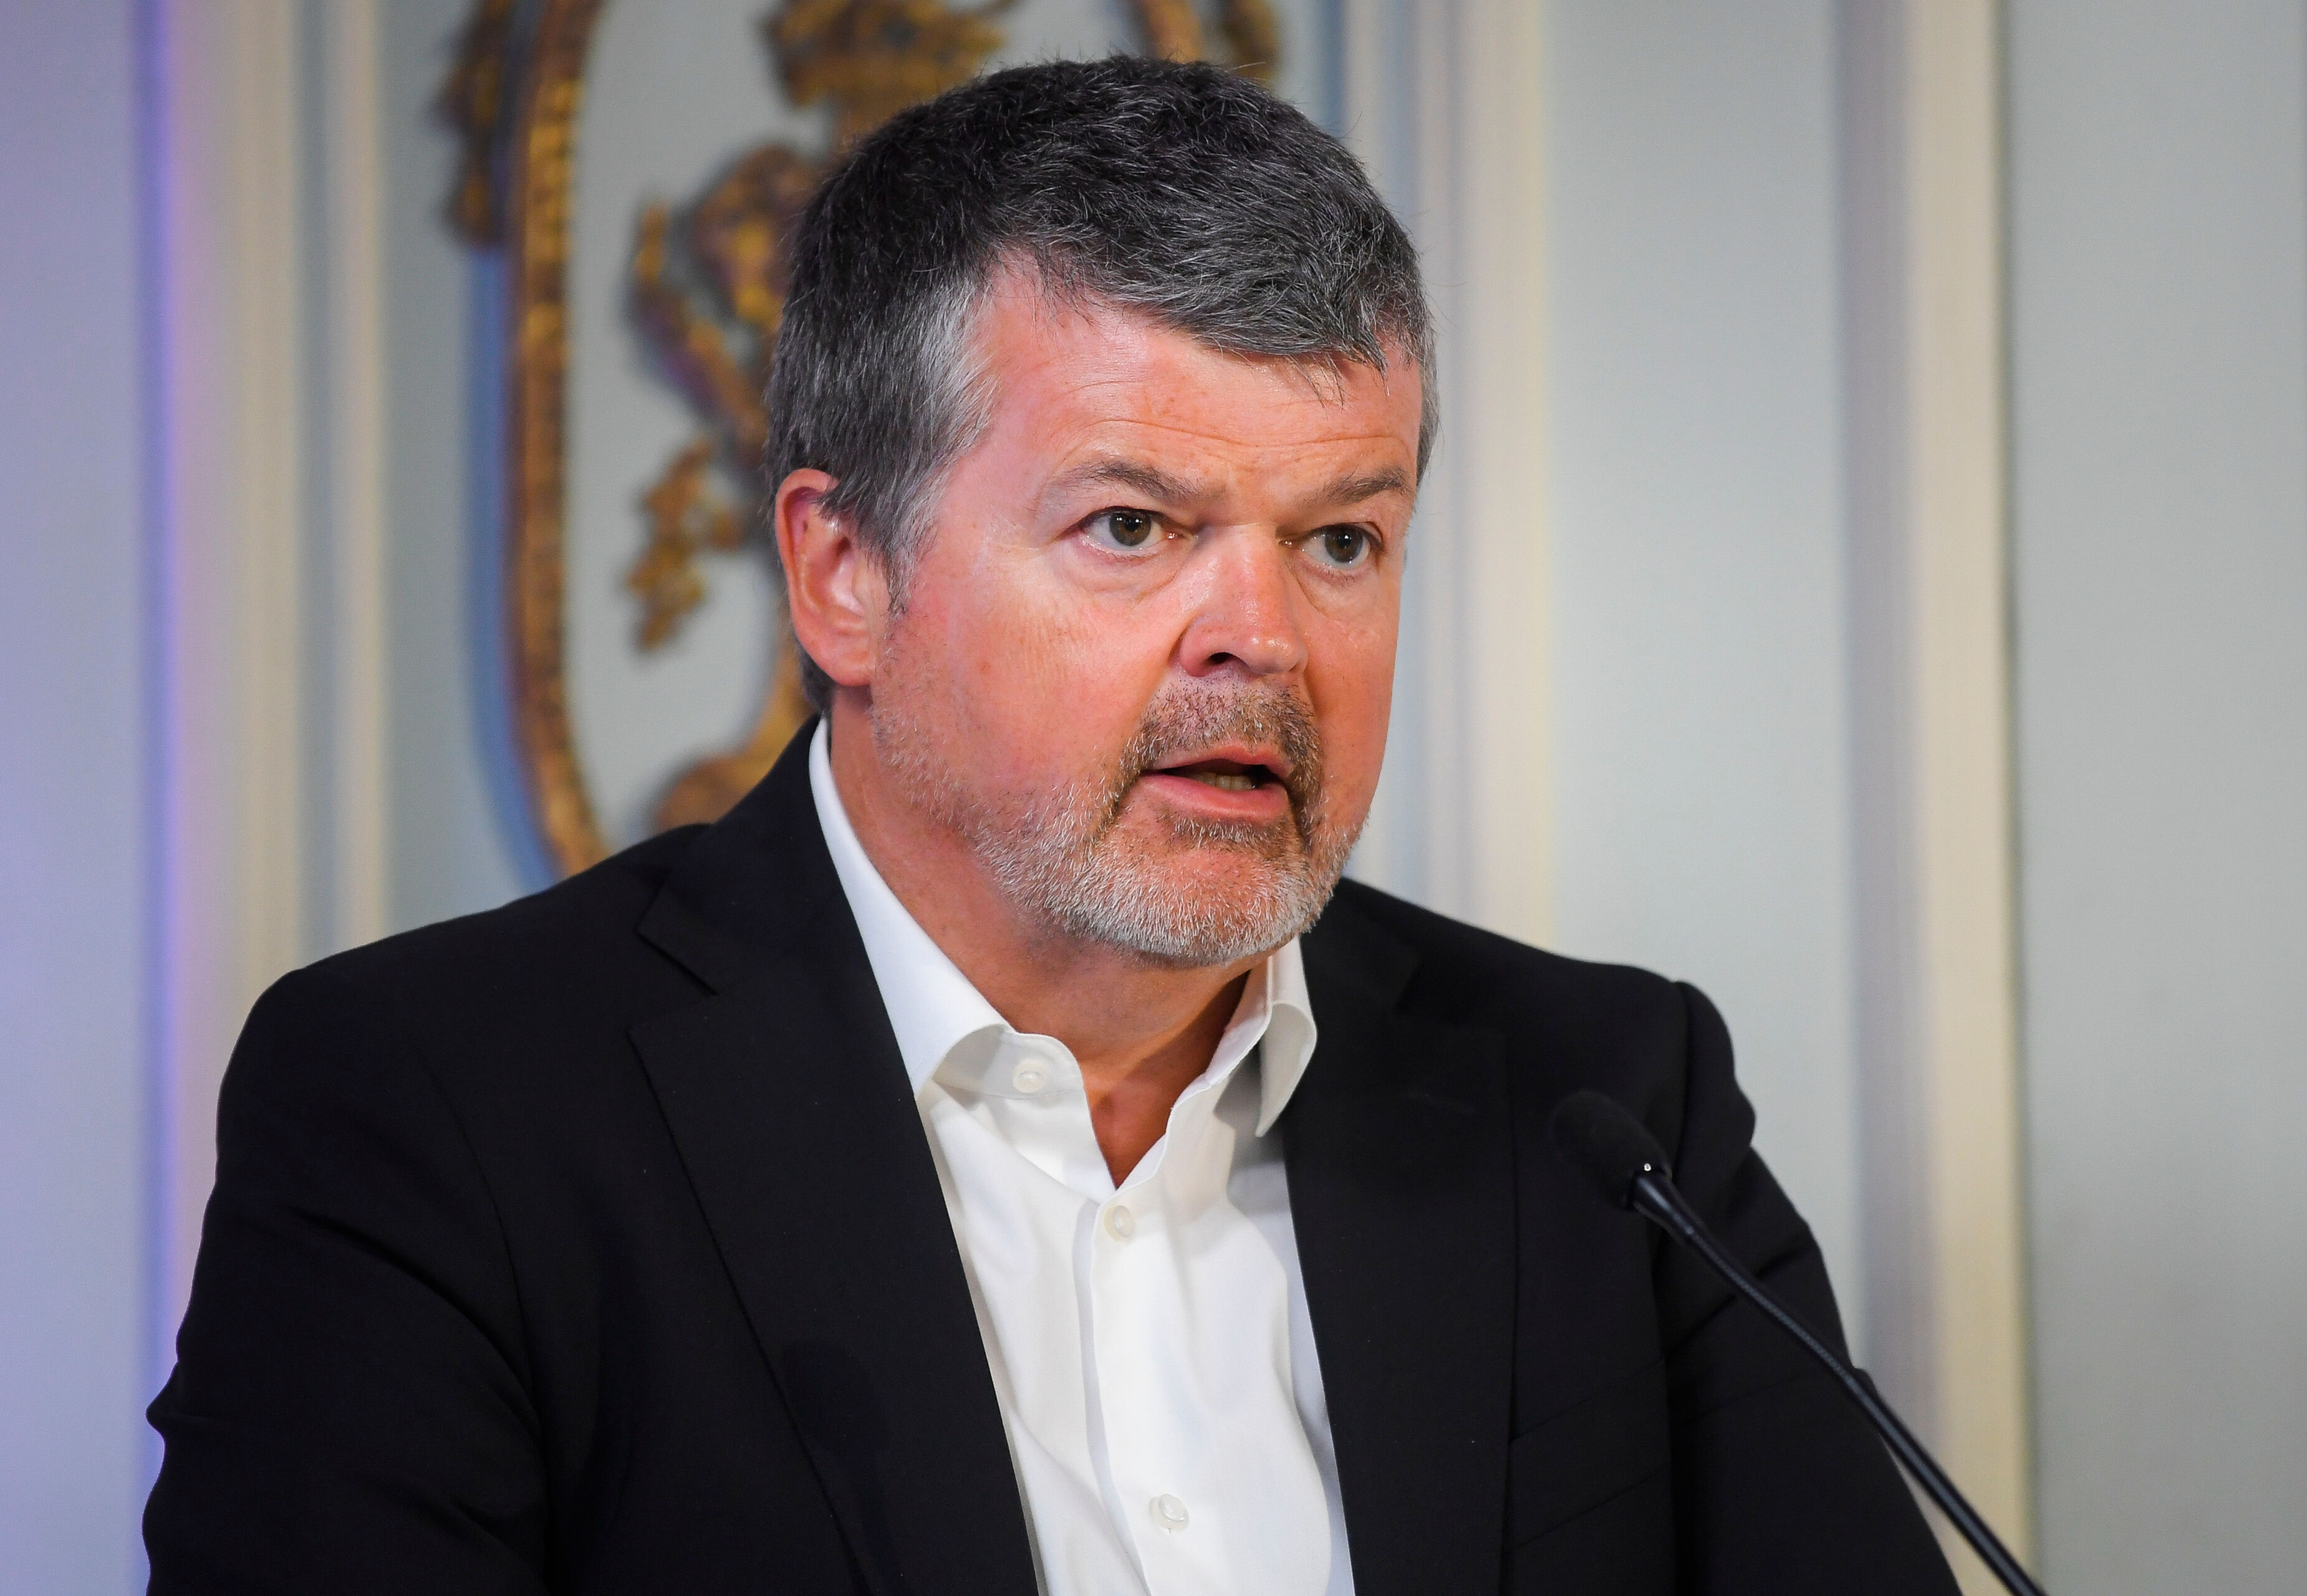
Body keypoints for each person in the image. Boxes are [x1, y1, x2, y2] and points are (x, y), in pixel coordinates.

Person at [145, 55, 1957, 1596]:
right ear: (845, 575)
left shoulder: (1610, 1109)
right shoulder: (445, 1111)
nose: (1264, 636)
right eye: (1133, 527)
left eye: (1341, 539)